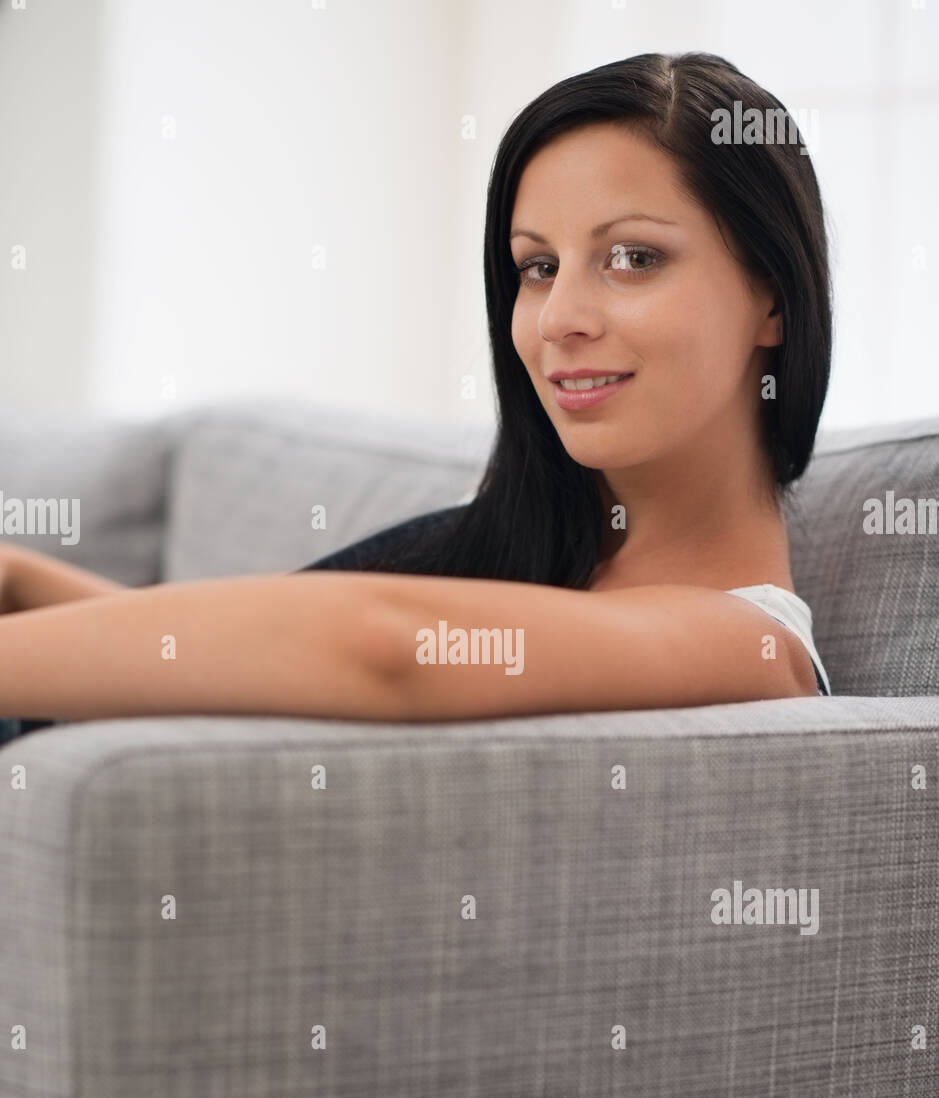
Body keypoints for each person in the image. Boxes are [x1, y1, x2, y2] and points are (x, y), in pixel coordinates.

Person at [0, 50, 832, 742]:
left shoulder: (751, 644)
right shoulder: (525, 544)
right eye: (537, 267)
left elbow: (386, 645)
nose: (559, 320)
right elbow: (221, 652)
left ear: (771, 297)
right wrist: (25, 581)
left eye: (633, 258)